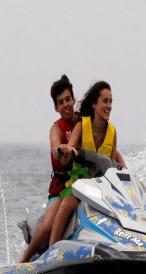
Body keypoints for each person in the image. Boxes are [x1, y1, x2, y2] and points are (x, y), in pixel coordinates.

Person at [49, 80, 126, 246]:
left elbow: (112, 163)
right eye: (105, 101)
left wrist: (126, 173)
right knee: (67, 205)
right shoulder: (82, 125)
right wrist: (68, 150)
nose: (109, 106)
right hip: (79, 186)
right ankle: (51, 250)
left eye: (111, 101)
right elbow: (70, 146)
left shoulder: (112, 132)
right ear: (94, 104)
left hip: (101, 190)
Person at [19, 74, 78, 263]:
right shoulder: (56, 129)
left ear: (74, 99)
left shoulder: (83, 122)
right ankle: (24, 261)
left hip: (83, 185)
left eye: (68, 99)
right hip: (61, 188)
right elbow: (54, 147)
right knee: (47, 227)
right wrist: (60, 150)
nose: (66, 105)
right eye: (61, 102)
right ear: (56, 107)